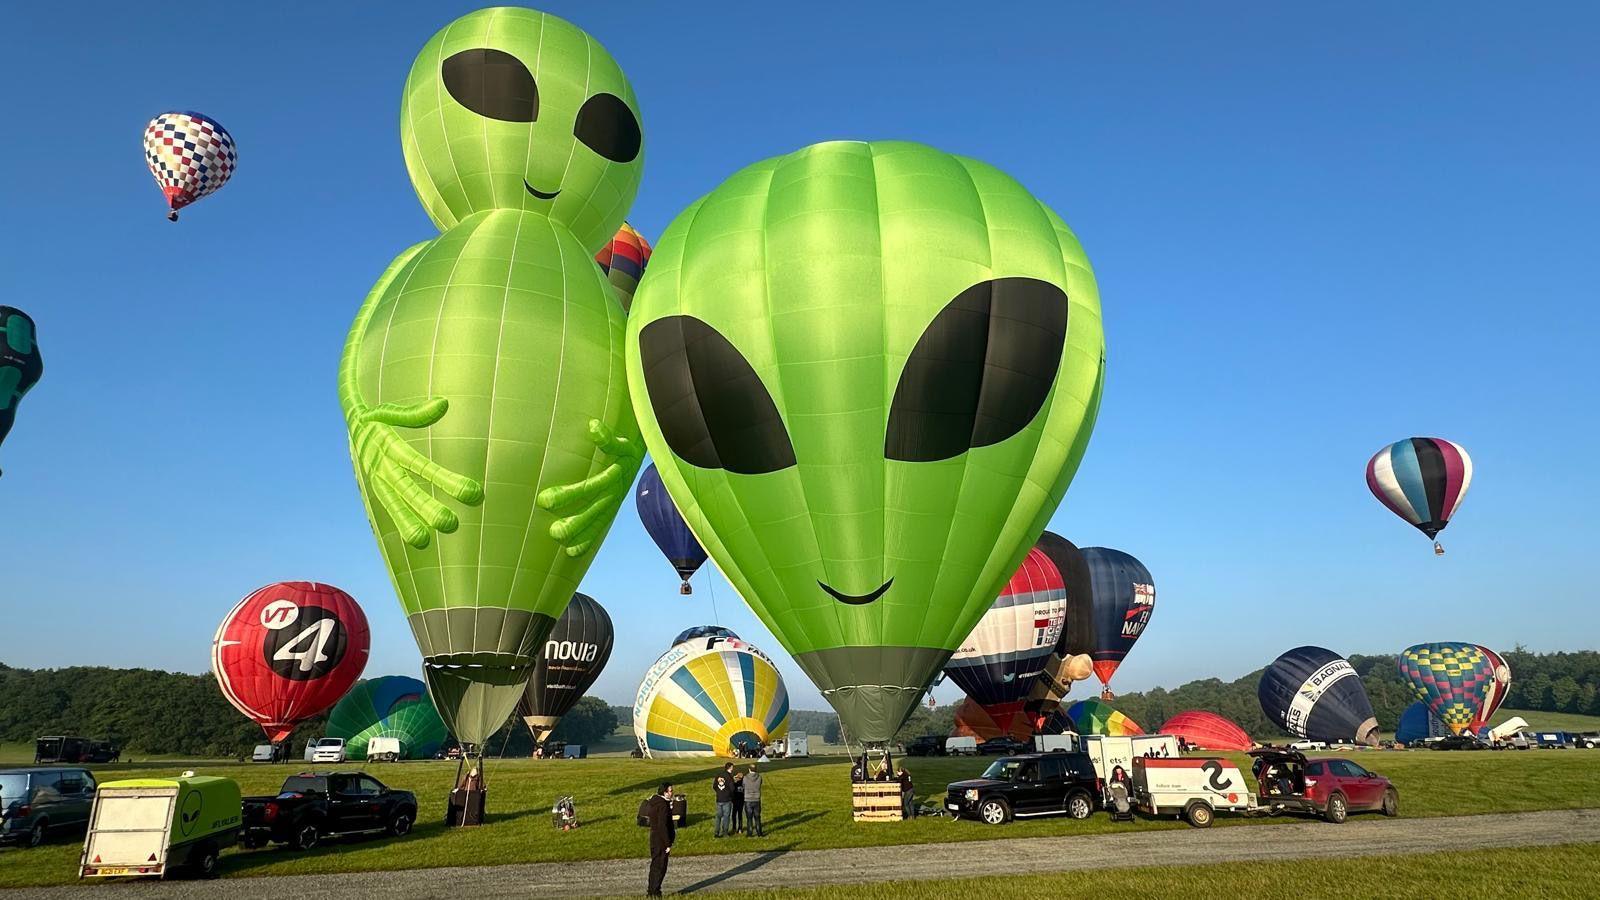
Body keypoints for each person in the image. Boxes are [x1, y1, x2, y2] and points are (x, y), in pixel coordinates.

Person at [644, 782, 675, 897]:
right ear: (665, 792)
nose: (672, 793)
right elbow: (662, 825)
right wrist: (667, 843)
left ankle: (651, 890)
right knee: (660, 866)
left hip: (654, 837)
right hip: (660, 839)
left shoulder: (654, 802)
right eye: (670, 791)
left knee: (655, 865)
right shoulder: (662, 805)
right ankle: (655, 892)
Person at [713, 762, 736, 837]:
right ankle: (725, 832)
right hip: (727, 799)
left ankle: (716, 832)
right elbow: (732, 788)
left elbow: (714, 786)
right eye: (732, 767)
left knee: (718, 816)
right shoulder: (729, 776)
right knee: (726, 816)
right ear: (730, 768)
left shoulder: (718, 775)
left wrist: (719, 792)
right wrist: (730, 795)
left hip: (719, 799)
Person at [742, 764, 764, 836]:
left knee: (749, 818)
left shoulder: (745, 777)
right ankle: (759, 833)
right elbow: (760, 784)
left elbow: (743, 786)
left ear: (749, 769)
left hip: (748, 799)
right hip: (757, 799)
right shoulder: (759, 777)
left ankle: (749, 833)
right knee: (757, 817)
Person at [732, 768, 745, 834]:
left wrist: (735, 777)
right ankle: (740, 828)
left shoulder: (735, 783)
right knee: (739, 815)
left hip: (735, 801)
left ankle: (734, 828)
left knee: (734, 815)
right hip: (741, 801)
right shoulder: (743, 783)